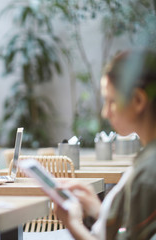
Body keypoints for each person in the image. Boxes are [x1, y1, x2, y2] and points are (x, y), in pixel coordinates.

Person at [55, 49, 156, 240]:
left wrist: (72, 223)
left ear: (138, 100)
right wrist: (96, 208)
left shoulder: (148, 173)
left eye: (111, 101)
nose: (105, 113)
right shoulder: (147, 161)